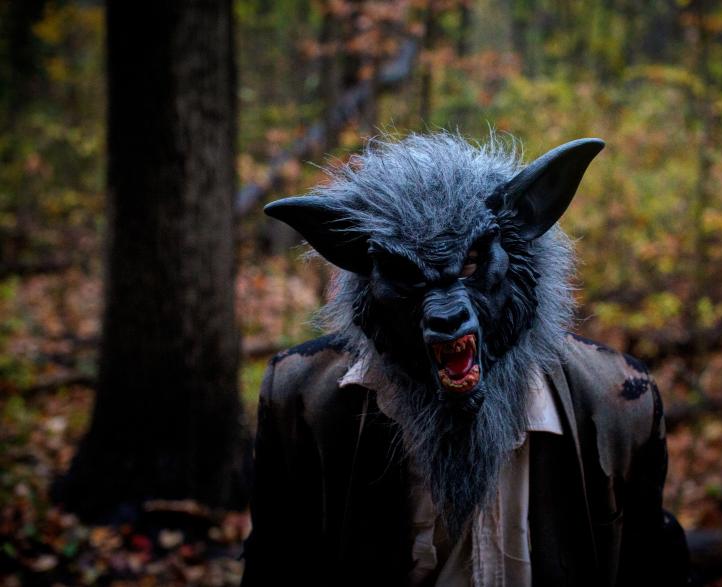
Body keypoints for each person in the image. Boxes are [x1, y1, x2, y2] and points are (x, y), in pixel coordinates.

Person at [241, 133, 690, 586]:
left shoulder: (618, 399)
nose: (447, 312)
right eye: (408, 278)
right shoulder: (301, 399)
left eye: (471, 265)